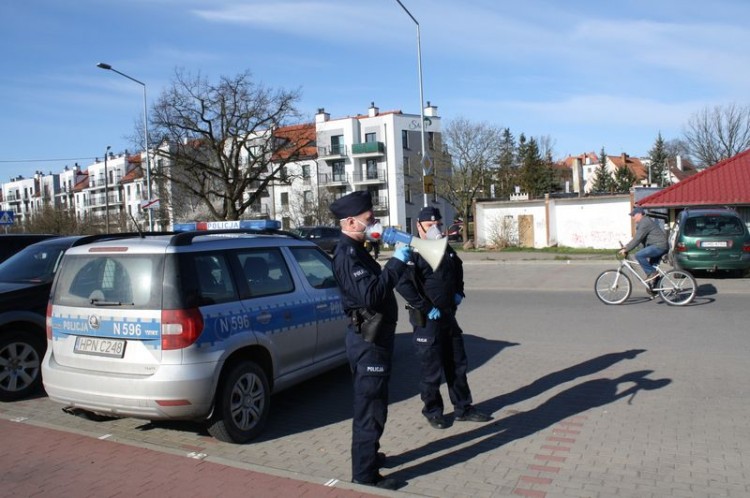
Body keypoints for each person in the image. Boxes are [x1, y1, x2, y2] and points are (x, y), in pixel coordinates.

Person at [329, 191, 411, 491]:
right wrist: (396, 264)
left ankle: (370, 455)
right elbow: (372, 296)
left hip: (374, 340)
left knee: (375, 404)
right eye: (369, 219)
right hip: (368, 343)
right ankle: (364, 476)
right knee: (370, 409)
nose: (374, 223)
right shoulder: (348, 254)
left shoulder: (359, 250)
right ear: (351, 222)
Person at [396, 206, 492, 430]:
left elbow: (456, 268)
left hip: (448, 316)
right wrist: (426, 307)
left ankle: (464, 408)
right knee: (431, 370)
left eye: (438, 224)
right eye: (430, 225)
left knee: (457, 364)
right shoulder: (412, 250)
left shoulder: (444, 247)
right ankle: (433, 411)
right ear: (419, 227)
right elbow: (403, 285)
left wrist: (459, 291)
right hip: (427, 319)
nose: (435, 229)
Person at [619, 207, 668, 285]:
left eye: (633, 215)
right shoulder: (643, 222)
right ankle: (656, 289)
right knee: (652, 267)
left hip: (659, 246)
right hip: (659, 245)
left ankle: (652, 274)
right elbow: (641, 241)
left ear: (639, 214)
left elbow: (637, 238)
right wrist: (627, 247)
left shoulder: (645, 222)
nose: (633, 217)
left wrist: (626, 249)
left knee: (639, 256)